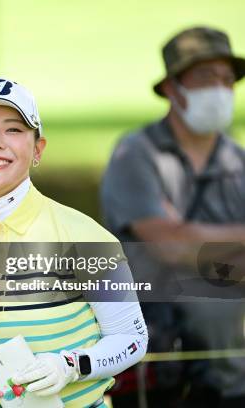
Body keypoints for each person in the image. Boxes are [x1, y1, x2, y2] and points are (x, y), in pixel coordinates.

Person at [0, 78, 149, 408]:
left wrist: (71, 366)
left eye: (13, 130)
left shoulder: (83, 235)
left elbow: (131, 338)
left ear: (38, 148)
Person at [100, 26, 245, 407]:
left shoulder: (238, 161)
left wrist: (195, 240)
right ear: (171, 88)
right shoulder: (136, 154)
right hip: (163, 337)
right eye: (204, 77)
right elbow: (167, 246)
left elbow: (182, 244)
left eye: (227, 79)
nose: (219, 88)